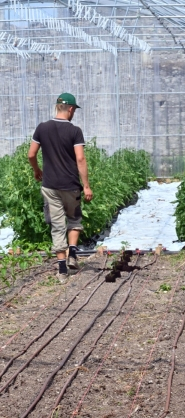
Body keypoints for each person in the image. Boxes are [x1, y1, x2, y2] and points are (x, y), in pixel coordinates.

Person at [28, 92, 93, 283]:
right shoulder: (75, 131)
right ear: (71, 109)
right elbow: (80, 158)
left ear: (58, 107)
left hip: (50, 186)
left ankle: (62, 270)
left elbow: (31, 154)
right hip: (70, 185)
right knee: (74, 219)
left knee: (57, 225)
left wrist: (36, 169)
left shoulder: (42, 128)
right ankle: (73, 253)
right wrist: (86, 186)